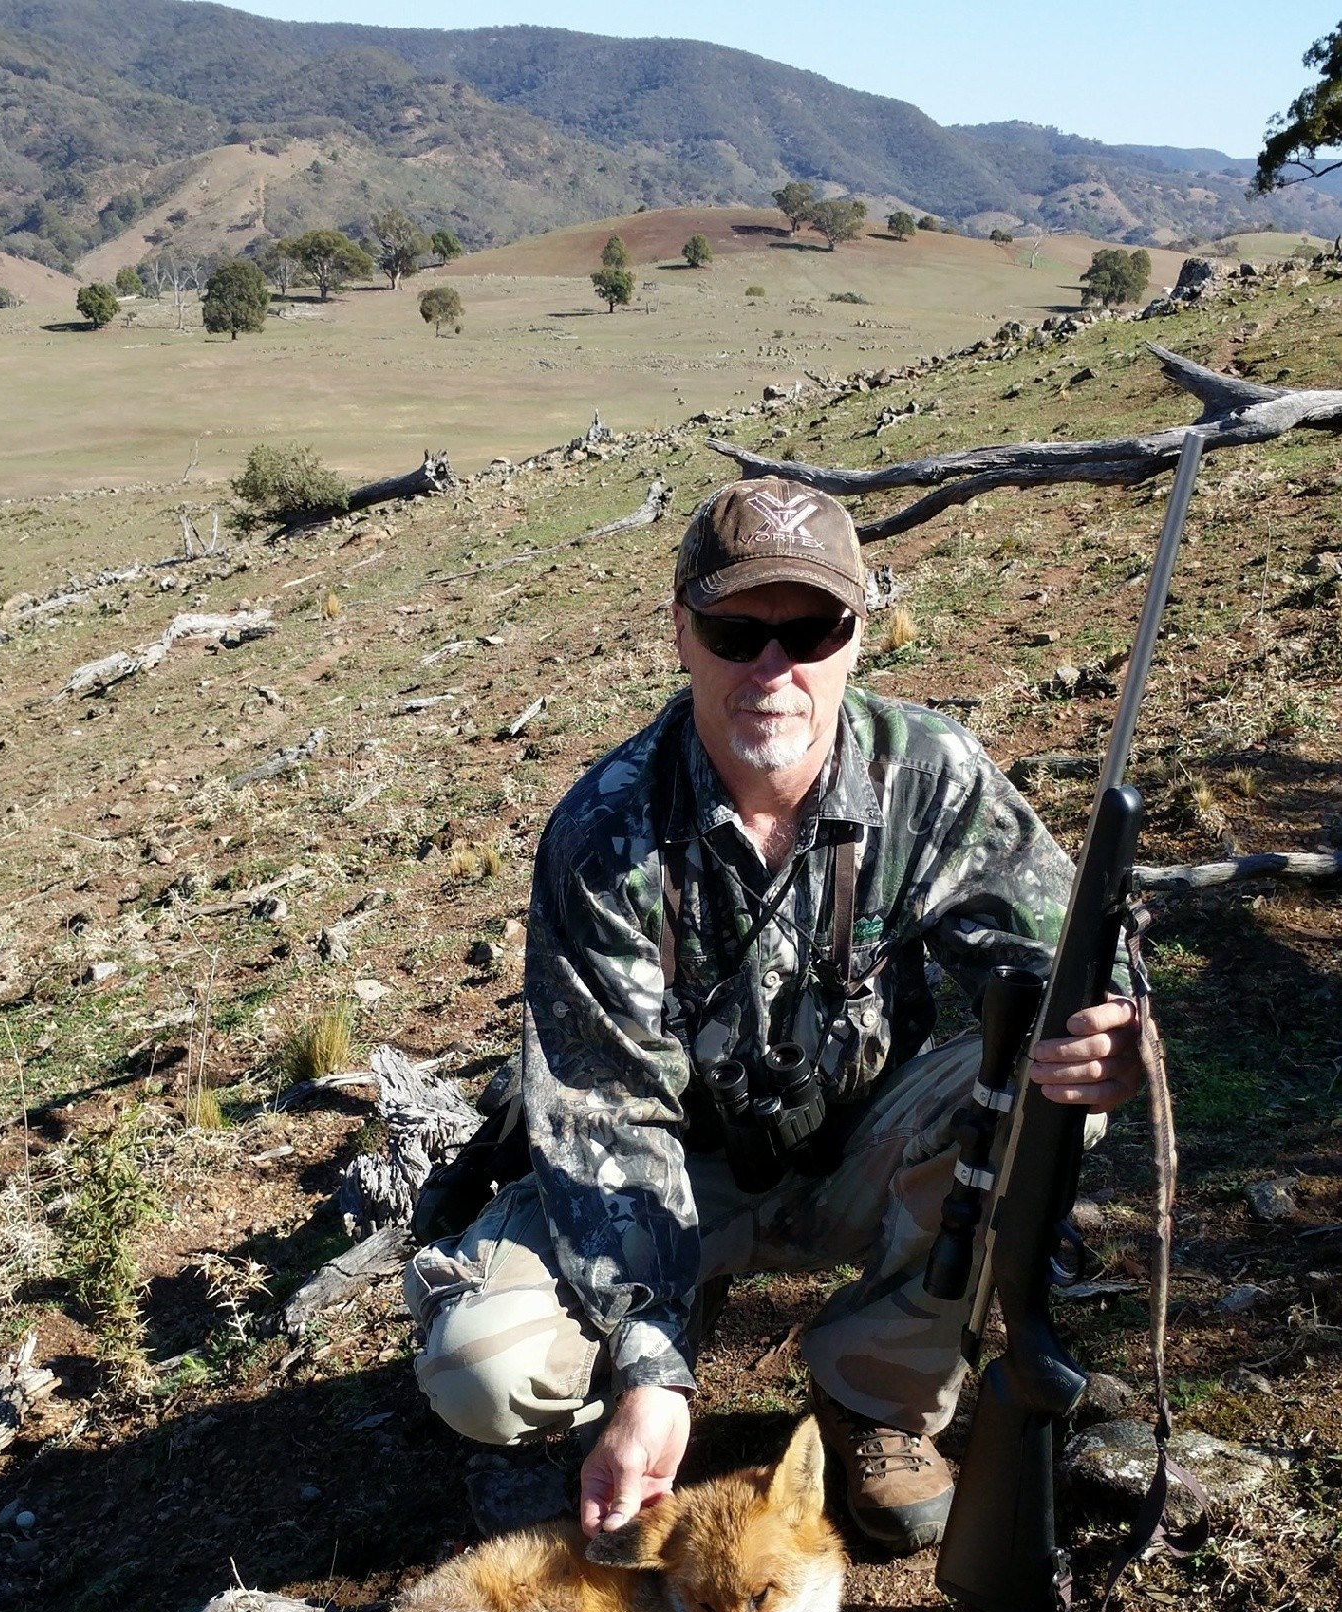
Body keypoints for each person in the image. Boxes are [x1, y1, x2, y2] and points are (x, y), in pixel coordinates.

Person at [406, 477, 1142, 1554]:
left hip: (862, 1149)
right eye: (734, 629)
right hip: (669, 1181)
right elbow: (607, 1121)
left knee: (1051, 1091)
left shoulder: (932, 774)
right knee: (483, 1365)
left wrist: (1110, 1037)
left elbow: (1058, 965)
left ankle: (877, 1390)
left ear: (857, 637)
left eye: (810, 628)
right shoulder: (601, 835)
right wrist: (653, 1362)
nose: (773, 666)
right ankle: (616, 1384)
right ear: (680, 636)